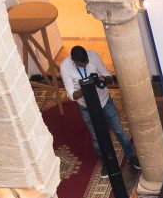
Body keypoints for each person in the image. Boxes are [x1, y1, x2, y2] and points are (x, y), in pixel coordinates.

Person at [60, 45, 140, 174]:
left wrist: (103, 79)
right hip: (86, 107)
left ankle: (131, 156)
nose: (85, 66)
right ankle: (106, 163)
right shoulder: (65, 67)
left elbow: (108, 76)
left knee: (119, 129)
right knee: (96, 137)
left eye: (87, 63)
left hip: (104, 101)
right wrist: (86, 86)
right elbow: (71, 95)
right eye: (82, 65)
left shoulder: (93, 56)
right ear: (73, 61)